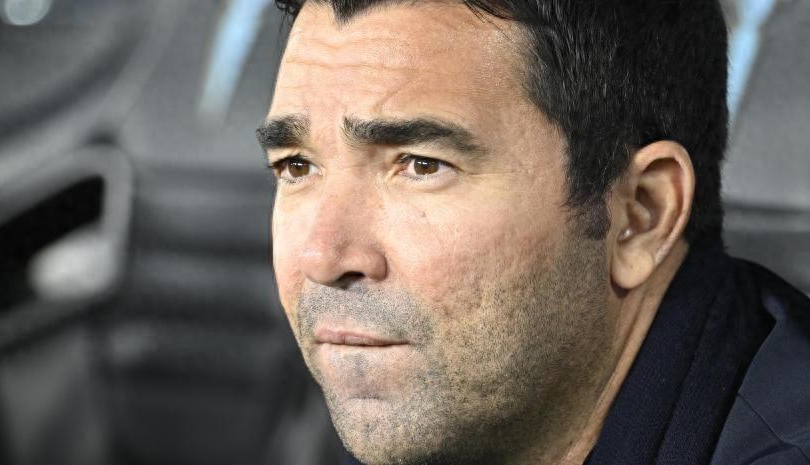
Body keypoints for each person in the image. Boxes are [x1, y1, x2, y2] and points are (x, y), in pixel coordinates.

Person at [255, 1, 810, 464]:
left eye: (422, 165)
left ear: (642, 214)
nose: (322, 257)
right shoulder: (437, 408)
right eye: (297, 167)